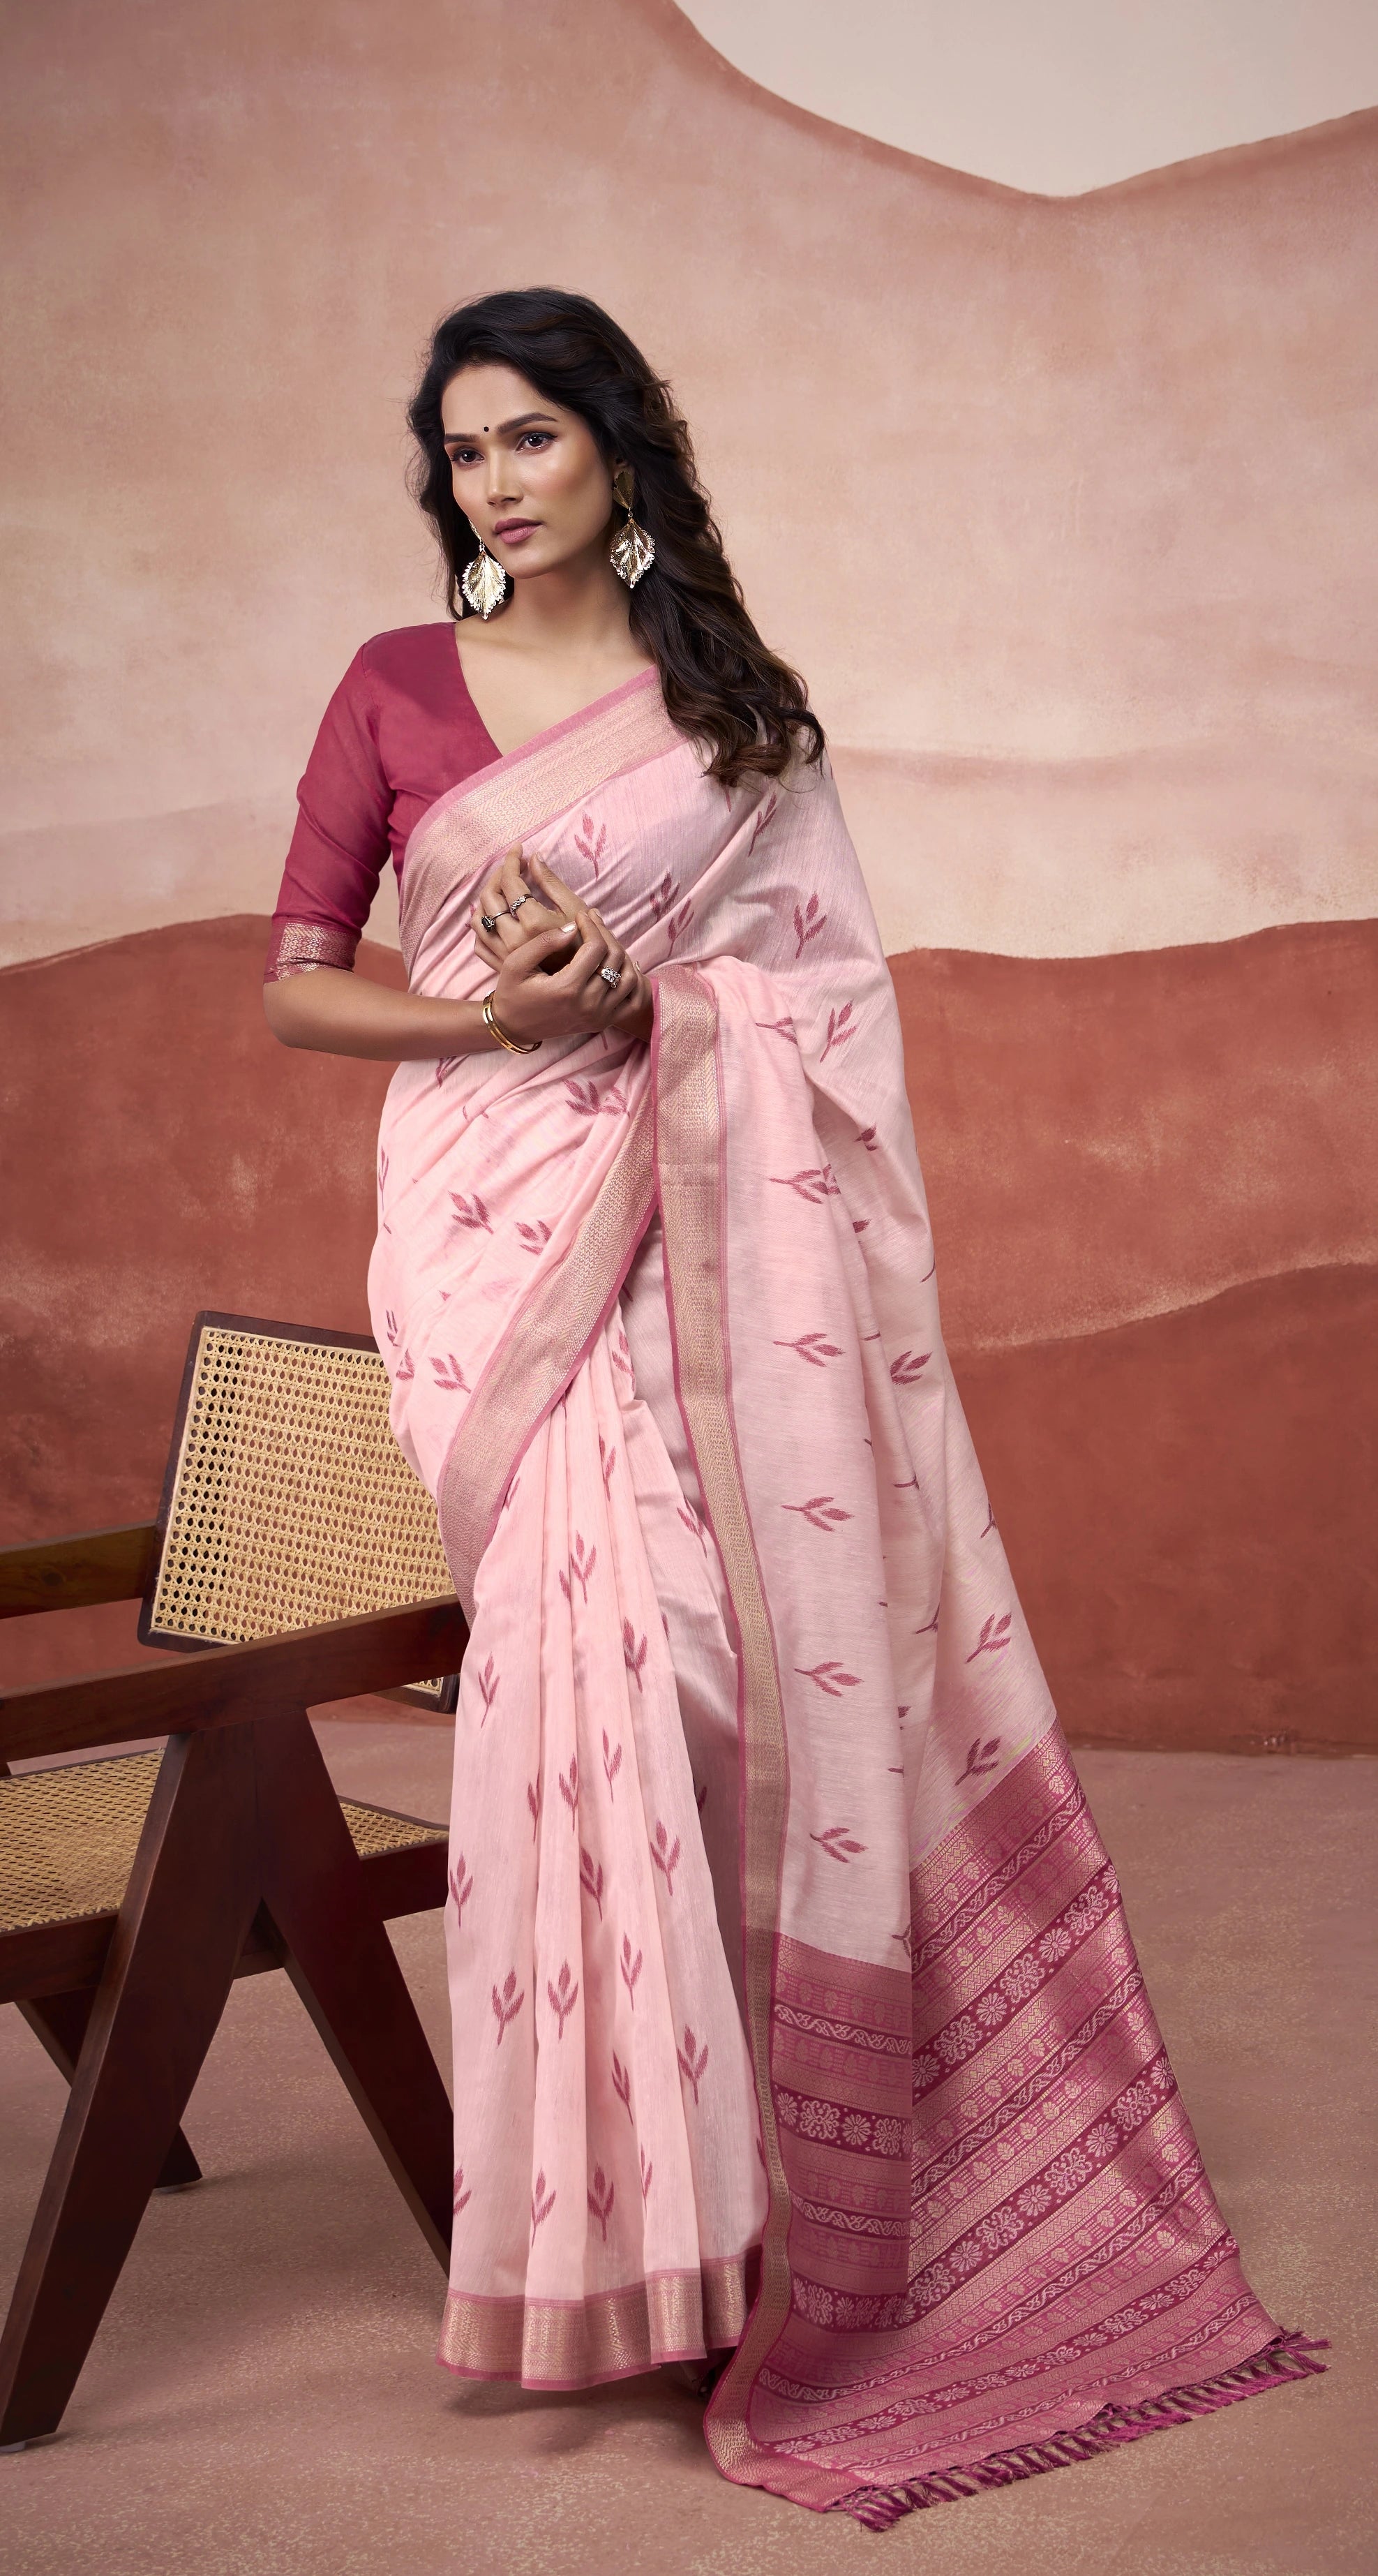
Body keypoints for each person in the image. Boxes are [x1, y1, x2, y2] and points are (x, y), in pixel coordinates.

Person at [263, 289, 1320, 2524]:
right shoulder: (391, 688)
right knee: (607, 1655)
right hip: (494, 1238)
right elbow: (300, 984)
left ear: (622, 457)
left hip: (704, 1234)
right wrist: (493, 1028)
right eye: (465, 453)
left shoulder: (733, 718)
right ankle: (627, 2246)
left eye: (537, 437)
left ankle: (778, 2212)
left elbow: (823, 1001)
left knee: (737, 1674)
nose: (499, 481)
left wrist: (657, 1000)